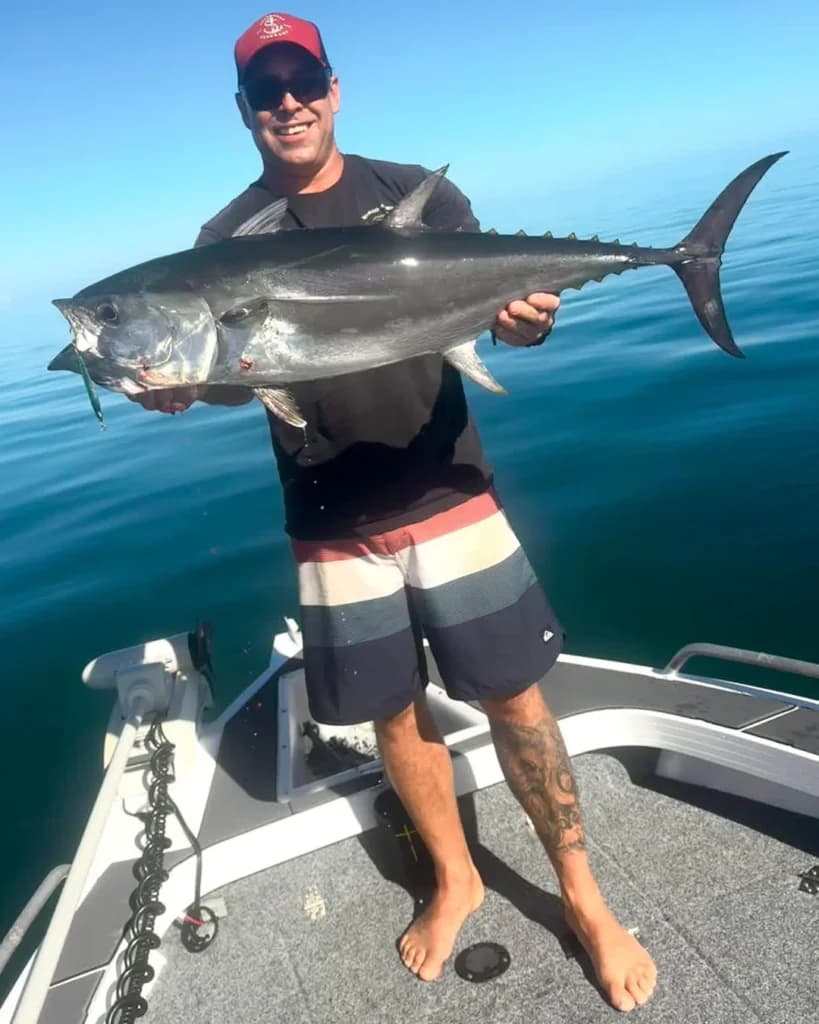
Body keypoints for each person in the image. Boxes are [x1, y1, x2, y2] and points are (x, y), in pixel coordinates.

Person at [132, 12, 657, 1011]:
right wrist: (187, 386)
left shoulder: (415, 193)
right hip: (328, 514)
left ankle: (583, 895)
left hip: (445, 485)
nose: (288, 103)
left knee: (514, 697)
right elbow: (242, 375)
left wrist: (528, 324)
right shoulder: (223, 243)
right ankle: (457, 877)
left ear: (333, 90)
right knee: (392, 712)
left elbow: (495, 311)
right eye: (266, 91)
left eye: (303, 82)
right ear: (243, 110)